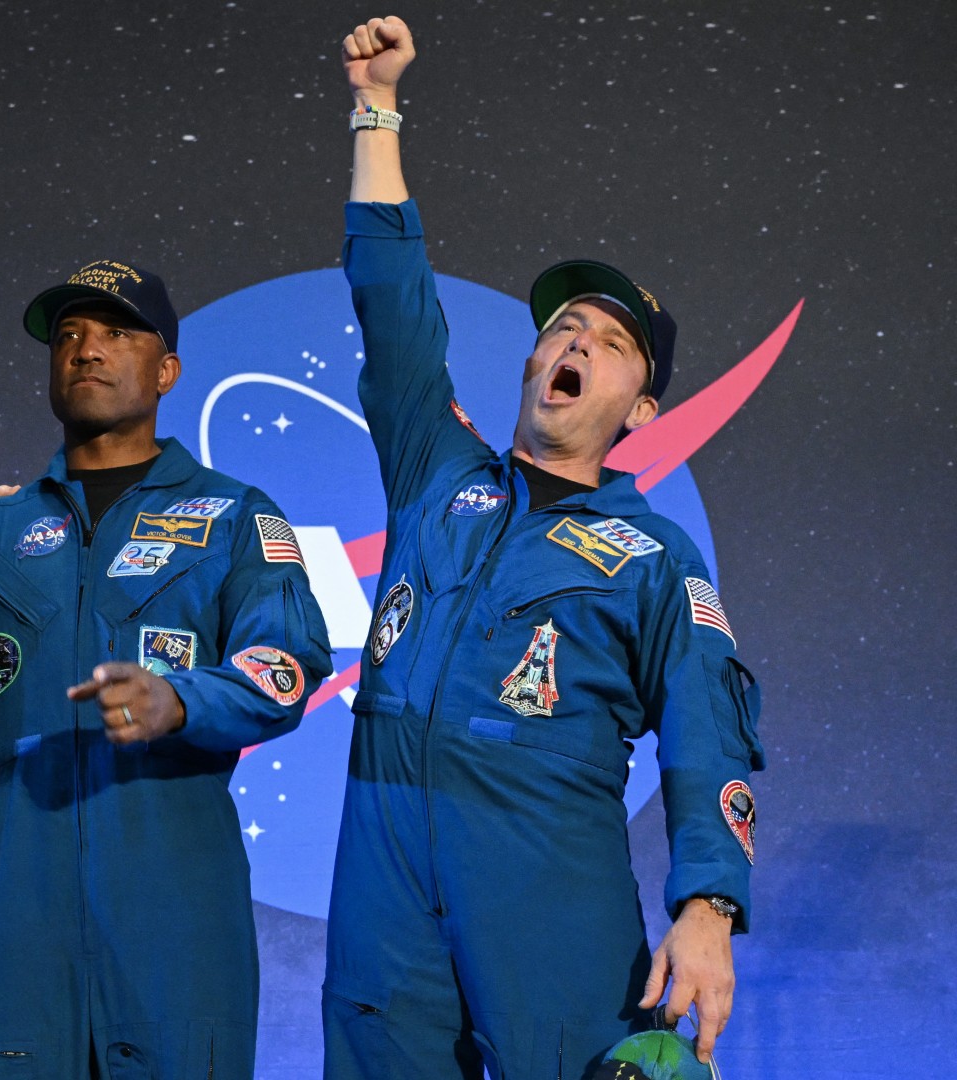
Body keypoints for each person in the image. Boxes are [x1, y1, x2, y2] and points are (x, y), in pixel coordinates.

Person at [321, 17, 765, 1079]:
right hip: (384, 879)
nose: (577, 341)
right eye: (566, 324)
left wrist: (708, 909)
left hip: (547, 882)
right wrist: (375, 107)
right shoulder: (438, 467)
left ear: (640, 403)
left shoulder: (653, 558)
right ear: (532, 356)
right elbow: (393, 304)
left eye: (610, 343)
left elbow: (711, 738)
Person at [0, 261, 334, 1077]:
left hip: (172, 893)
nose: (86, 349)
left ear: (167, 370)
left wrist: (178, 701)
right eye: (70, 335)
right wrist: (16, 759)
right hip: (20, 900)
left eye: (116, 332)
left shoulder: (233, 514)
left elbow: (287, 662)